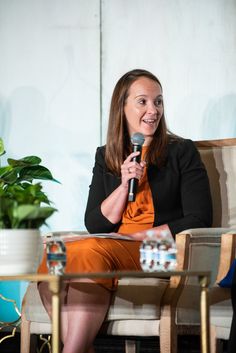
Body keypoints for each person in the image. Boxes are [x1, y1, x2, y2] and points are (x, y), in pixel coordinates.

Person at [38, 68, 212, 353]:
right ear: (122, 107)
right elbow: (95, 223)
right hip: (113, 247)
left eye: (158, 101)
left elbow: (199, 218)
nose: (153, 110)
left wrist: (136, 238)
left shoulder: (181, 151)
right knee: (54, 253)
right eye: (142, 101)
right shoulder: (106, 155)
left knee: (91, 250)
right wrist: (122, 186)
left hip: (161, 251)